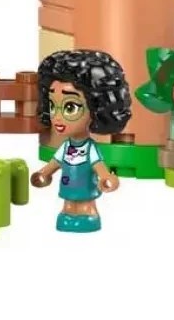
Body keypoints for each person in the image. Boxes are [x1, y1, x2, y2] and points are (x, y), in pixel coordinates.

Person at [30, 49, 132, 232]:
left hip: (86, 192)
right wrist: (44, 174)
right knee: (68, 208)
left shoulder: (90, 148)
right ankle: (69, 212)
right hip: (68, 191)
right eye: (53, 105)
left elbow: (99, 166)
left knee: (85, 207)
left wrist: (106, 178)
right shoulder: (66, 147)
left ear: (96, 109)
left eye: (70, 107)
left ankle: (89, 214)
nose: (57, 117)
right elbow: (55, 163)